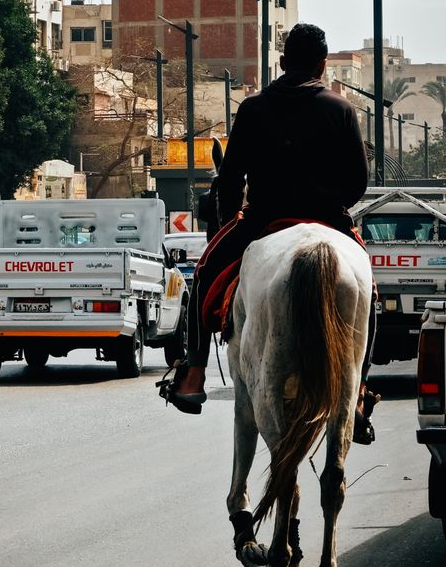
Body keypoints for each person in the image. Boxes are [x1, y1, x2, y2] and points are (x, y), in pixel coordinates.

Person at [158, 23, 378, 444]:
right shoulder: (341, 109)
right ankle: (360, 391)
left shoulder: (254, 108)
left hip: (263, 221)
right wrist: (332, 205)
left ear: (281, 61)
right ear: (321, 62)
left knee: (204, 275)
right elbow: (357, 182)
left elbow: (230, 180)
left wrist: (227, 223)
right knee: (371, 296)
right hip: (329, 220)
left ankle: (193, 372)